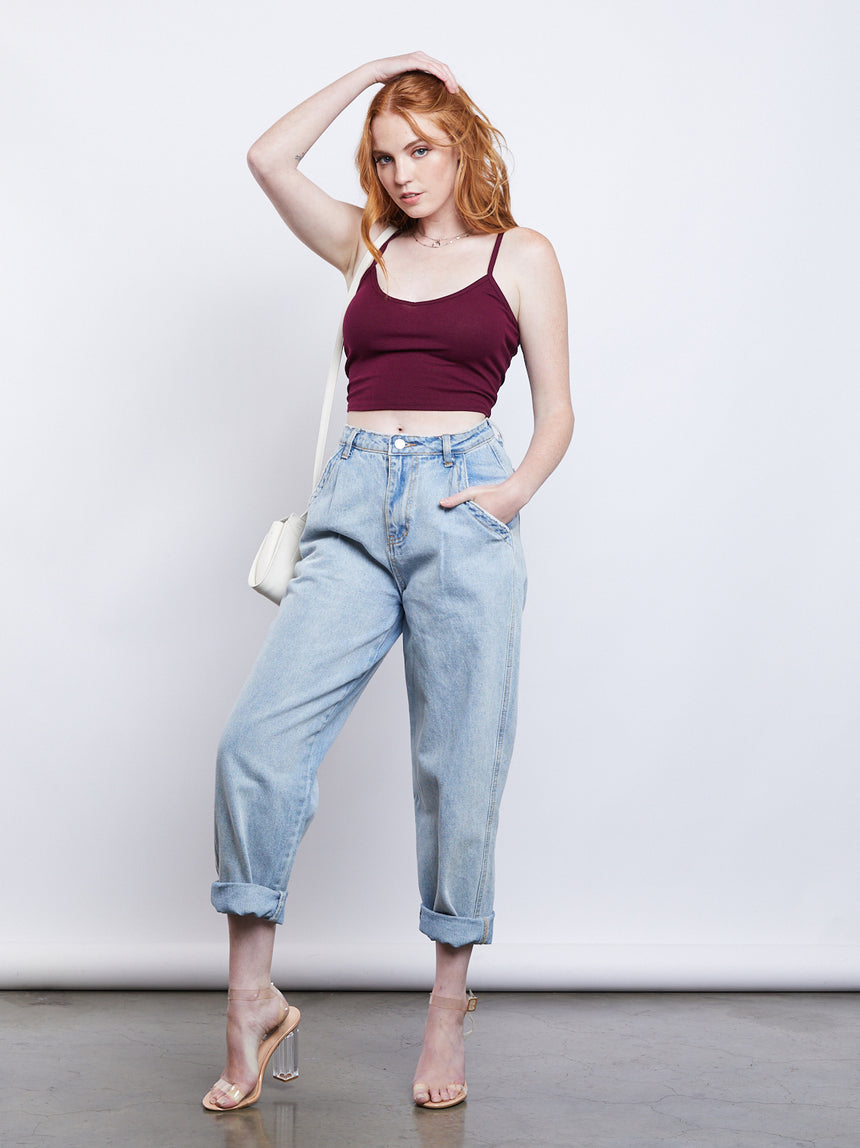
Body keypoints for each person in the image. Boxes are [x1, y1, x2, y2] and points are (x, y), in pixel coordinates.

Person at [203, 51, 573, 1113]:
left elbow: (557, 411)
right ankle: (251, 999)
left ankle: (449, 1005)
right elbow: (266, 157)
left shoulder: (521, 255)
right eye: (384, 157)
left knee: (459, 765)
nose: (402, 173)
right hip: (355, 507)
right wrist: (376, 70)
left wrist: (507, 497)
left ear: (463, 145)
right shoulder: (365, 244)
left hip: (464, 508)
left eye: (421, 149)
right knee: (257, 745)